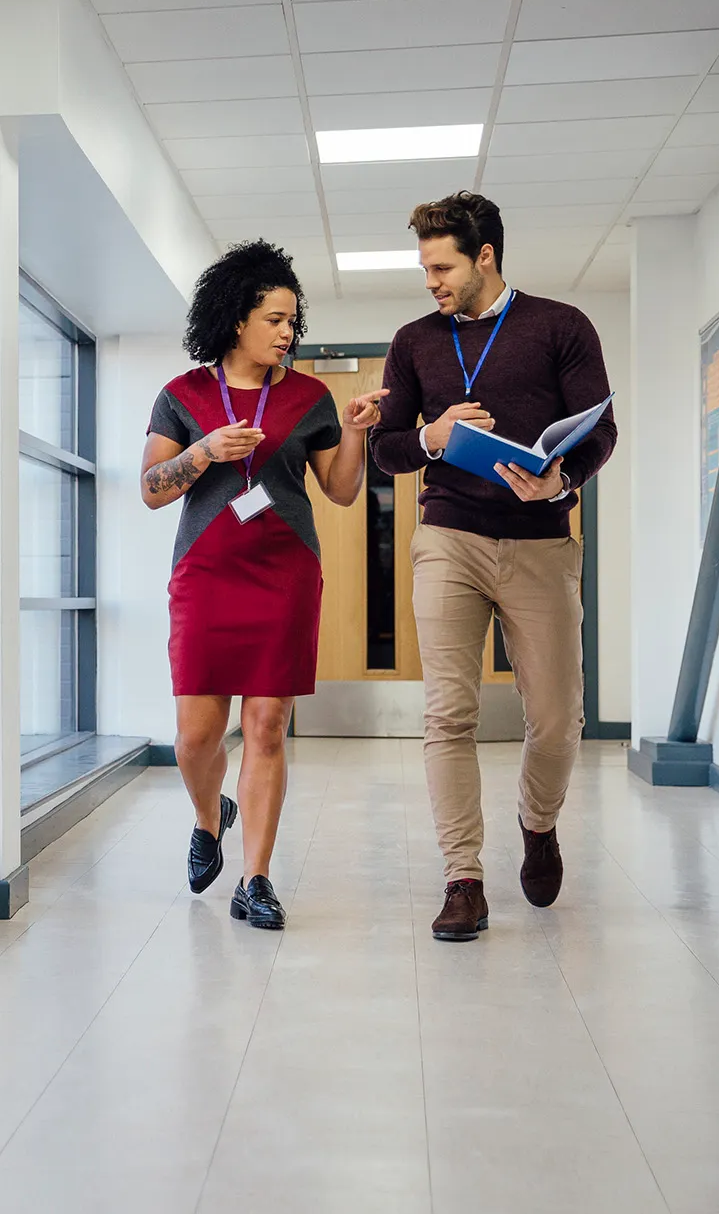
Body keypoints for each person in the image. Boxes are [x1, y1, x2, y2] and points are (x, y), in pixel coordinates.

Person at [369, 191, 618, 943]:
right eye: (424, 268)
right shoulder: (414, 340)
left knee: (555, 719)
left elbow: (599, 433)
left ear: (486, 257)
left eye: (441, 266)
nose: (430, 281)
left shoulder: (561, 327)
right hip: (449, 536)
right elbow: (386, 449)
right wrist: (433, 437)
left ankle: (538, 823)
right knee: (449, 712)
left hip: (541, 540)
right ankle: (463, 878)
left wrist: (561, 479)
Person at [142, 240, 386, 929]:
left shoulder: (310, 397)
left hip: (284, 573)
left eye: (292, 320)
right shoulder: (183, 396)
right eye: (275, 319)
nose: (288, 332)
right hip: (205, 575)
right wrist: (202, 452)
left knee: (267, 726)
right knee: (196, 736)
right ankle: (207, 814)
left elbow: (339, 493)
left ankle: (255, 879)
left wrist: (357, 433)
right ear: (236, 318)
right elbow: (152, 491)